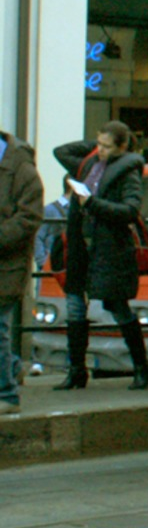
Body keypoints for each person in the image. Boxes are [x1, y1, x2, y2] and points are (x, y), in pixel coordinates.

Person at [53, 121, 148, 390]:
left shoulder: (128, 171)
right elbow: (60, 151)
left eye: (107, 146)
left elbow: (130, 210)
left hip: (109, 247)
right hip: (81, 244)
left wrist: (92, 204)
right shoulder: (90, 163)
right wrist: (95, 146)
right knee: (74, 304)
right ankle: (76, 369)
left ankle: (142, 366)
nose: (100, 150)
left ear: (122, 147)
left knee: (117, 306)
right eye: (98, 144)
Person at [0, 128, 44, 414]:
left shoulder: (22, 170)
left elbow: (29, 218)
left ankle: (7, 395)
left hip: (7, 265)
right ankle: (14, 368)